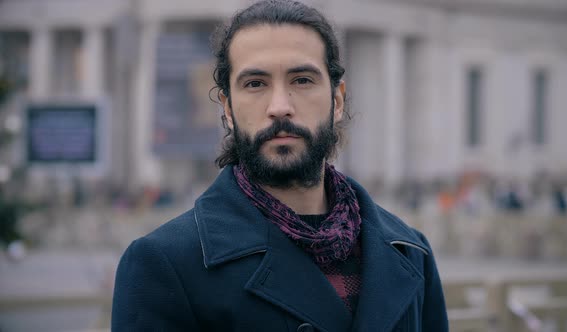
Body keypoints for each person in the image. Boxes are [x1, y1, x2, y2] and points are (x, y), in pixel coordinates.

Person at [111, 0, 448, 331]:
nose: (280, 107)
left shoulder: (409, 251)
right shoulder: (165, 264)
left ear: (338, 100)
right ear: (227, 108)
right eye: (255, 84)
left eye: (302, 80)